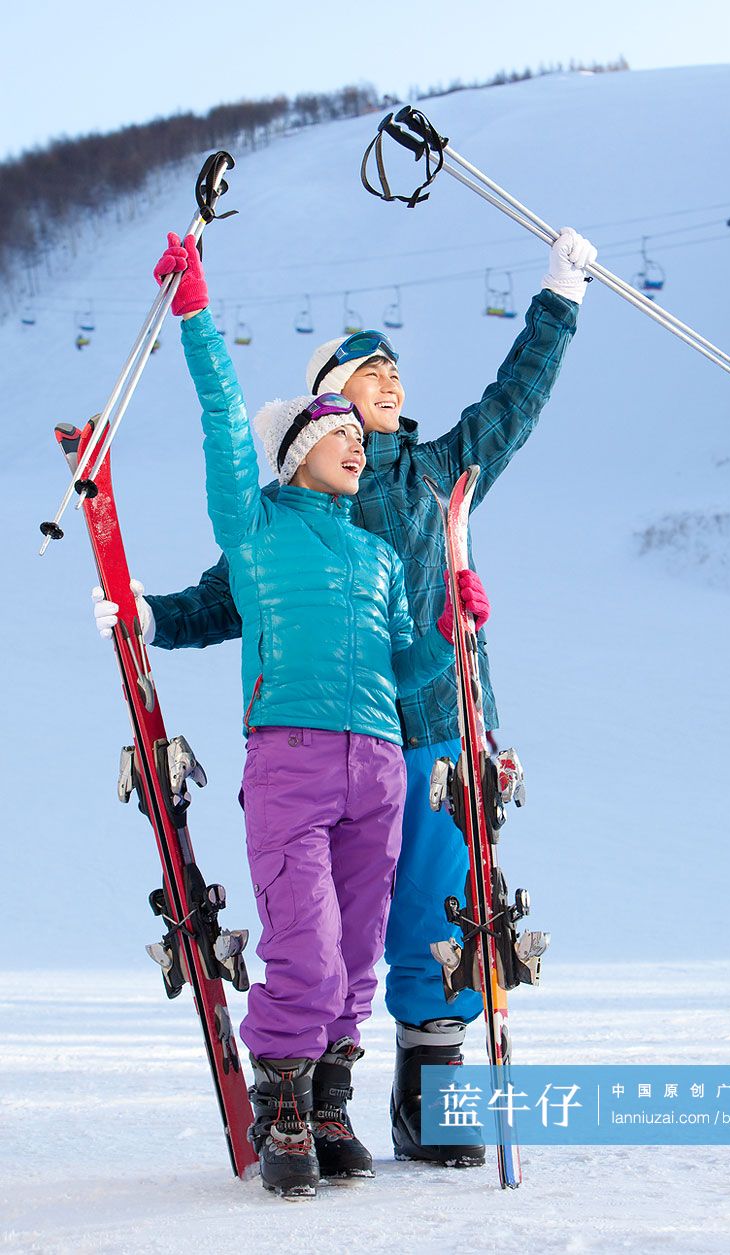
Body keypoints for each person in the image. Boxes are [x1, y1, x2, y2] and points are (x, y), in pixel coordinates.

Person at [94, 224, 597, 1168]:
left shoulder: (438, 473)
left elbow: (514, 403)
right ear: (328, 401)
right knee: (333, 925)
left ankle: (429, 1091)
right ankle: (314, 1093)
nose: (390, 380)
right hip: (327, 733)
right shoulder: (295, 505)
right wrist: (150, 617)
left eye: (395, 369)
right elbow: (233, 594)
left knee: (438, 904)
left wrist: (558, 298)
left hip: (434, 724)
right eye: (369, 371)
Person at [133, 234, 491, 1198]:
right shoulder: (254, 528)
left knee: (360, 948)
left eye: (360, 438)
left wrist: (451, 631)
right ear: (300, 450)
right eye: (341, 433)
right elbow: (223, 420)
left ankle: (332, 1097)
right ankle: (282, 1097)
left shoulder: (378, 559)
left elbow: (404, 664)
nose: (359, 444)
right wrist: (196, 313)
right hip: (290, 758)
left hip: (377, 761)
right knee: (306, 941)